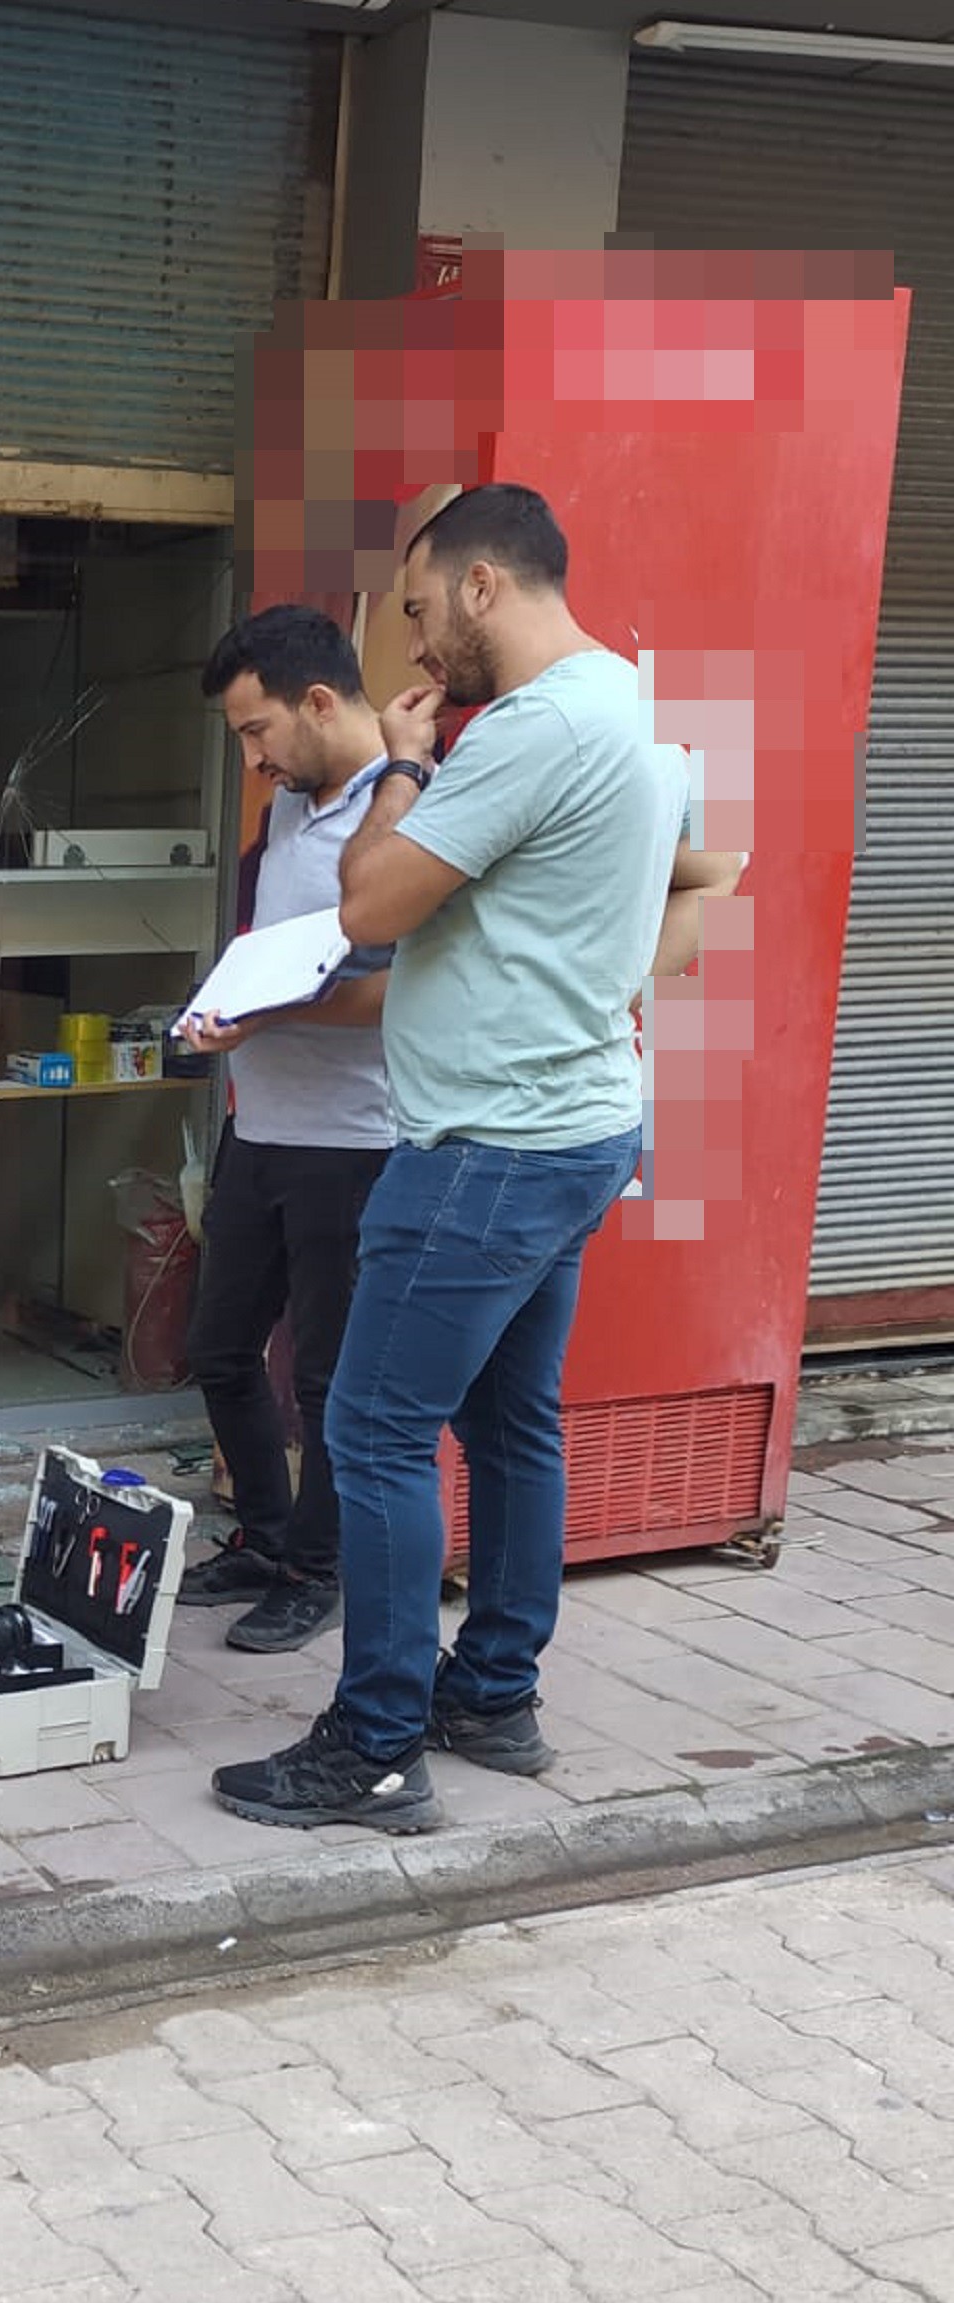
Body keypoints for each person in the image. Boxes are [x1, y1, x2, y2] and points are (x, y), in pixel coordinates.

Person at [213, 485, 742, 1832]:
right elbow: (660, 885)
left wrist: (398, 767)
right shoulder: (626, 711)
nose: (415, 647)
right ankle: (494, 1691)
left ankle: (377, 1744)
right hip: (574, 1124)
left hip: (488, 1145)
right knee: (511, 1424)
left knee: (376, 1431)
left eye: (417, 609)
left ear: (483, 585)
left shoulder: (529, 726)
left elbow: (374, 898)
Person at [174, 606, 394, 1655]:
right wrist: (221, 1010)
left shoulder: (394, 815)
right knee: (218, 1350)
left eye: (257, 733)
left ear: (317, 701)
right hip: (258, 1127)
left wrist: (260, 1014)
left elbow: (397, 986)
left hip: (353, 1143)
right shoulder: (299, 811)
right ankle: (263, 1536)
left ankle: (318, 1568)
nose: (252, 759)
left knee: (324, 1380)